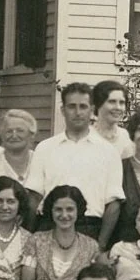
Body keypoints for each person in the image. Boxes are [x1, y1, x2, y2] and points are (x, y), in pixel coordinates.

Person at [31, 83, 125, 245]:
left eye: (83, 106)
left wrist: (100, 245)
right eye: (72, 107)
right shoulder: (45, 148)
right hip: (49, 227)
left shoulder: (108, 152)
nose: (78, 112)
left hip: (89, 229)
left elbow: (114, 204)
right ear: (62, 110)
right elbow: (33, 197)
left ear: (92, 110)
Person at [21, 185, 103, 280]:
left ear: (79, 211)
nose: (64, 215)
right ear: (51, 211)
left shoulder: (91, 246)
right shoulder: (36, 240)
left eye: (70, 209)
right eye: (58, 209)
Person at [0, 109, 43, 208]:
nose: (14, 135)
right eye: (9, 131)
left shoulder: (42, 163)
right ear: (1, 134)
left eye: (20, 131)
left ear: (31, 135)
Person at [91, 80, 134, 155]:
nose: (118, 107)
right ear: (98, 104)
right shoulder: (86, 136)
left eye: (122, 102)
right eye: (112, 102)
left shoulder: (124, 136)